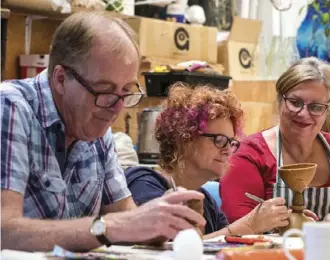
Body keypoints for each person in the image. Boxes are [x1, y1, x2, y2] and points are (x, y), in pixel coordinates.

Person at [0, 11, 205, 252]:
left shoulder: (96, 128)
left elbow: (127, 220)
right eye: (104, 90)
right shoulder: (10, 108)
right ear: (60, 79)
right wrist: (111, 227)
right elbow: (4, 231)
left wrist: (165, 223)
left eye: (126, 91)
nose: (117, 107)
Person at [220, 57, 330, 225]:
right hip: (273, 251)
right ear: (279, 101)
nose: (303, 113)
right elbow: (240, 227)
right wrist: (320, 226)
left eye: (316, 107)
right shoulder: (250, 154)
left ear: (326, 111)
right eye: (295, 103)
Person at [125, 83, 291, 238]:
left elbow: (219, 248)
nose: (228, 150)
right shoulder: (143, 183)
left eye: (231, 142)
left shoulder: (206, 202)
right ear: (185, 138)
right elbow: (171, 249)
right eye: (219, 140)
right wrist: (250, 225)